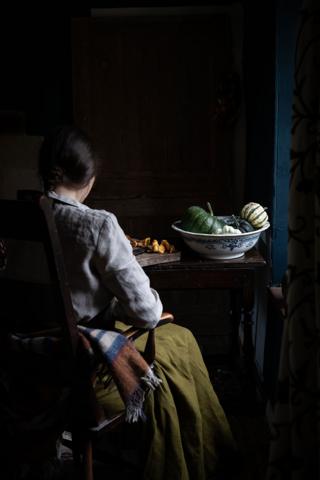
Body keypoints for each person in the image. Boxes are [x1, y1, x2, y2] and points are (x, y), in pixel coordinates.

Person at [38, 125, 237, 479]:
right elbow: (147, 313)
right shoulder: (97, 225)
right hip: (83, 373)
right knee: (181, 340)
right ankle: (203, 460)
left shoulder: (21, 215)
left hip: (32, 362)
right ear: (90, 177)